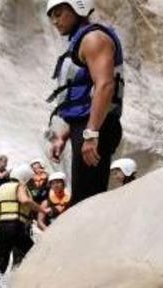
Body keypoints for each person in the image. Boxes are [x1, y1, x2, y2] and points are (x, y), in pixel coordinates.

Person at [45, 0, 124, 206]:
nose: (55, 21)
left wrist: (91, 134)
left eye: (59, 13)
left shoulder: (94, 39)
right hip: (87, 127)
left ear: (78, 7)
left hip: (97, 127)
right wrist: (65, 135)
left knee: (87, 202)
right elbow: (82, 97)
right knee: (82, 198)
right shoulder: (80, 40)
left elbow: (105, 85)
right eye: (51, 16)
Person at [0, 165, 50, 288]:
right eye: (30, 180)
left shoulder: (0, 188)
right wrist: (42, 210)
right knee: (34, 254)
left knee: (1, 266)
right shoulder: (19, 186)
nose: (31, 182)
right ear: (24, 178)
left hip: (0, 228)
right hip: (15, 226)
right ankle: (39, 287)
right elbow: (24, 200)